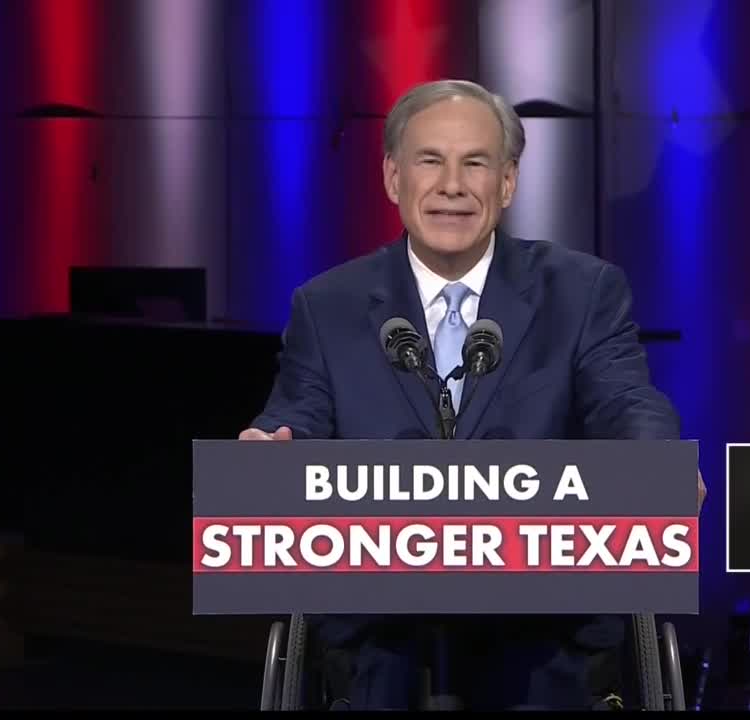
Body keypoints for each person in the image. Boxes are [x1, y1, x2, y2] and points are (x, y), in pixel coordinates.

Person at [238, 78, 704, 710]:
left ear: (507, 183)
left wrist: (654, 464)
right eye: (430, 161)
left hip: (542, 639)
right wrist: (269, 454)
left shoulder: (583, 291)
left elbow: (627, 401)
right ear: (392, 177)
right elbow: (294, 419)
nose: (451, 185)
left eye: (475, 163)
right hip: (383, 642)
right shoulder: (329, 306)